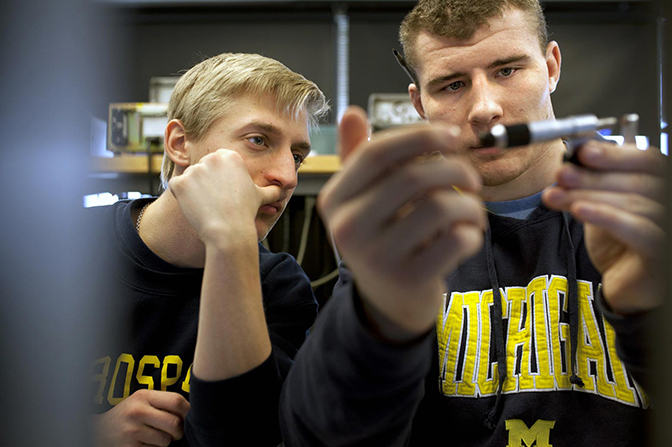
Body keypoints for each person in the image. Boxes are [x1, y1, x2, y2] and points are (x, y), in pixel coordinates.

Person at [280, 0, 665, 445]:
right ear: (419, 103)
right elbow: (320, 438)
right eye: (451, 85)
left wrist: (650, 319)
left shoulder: (646, 213)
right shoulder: (408, 236)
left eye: (507, 71)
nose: (484, 108)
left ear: (551, 66)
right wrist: (376, 325)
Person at [87, 52, 329, 446]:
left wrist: (229, 240)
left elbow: (241, 436)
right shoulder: (62, 251)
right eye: (258, 140)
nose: (286, 176)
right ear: (180, 144)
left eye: (297, 156)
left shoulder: (281, 287)